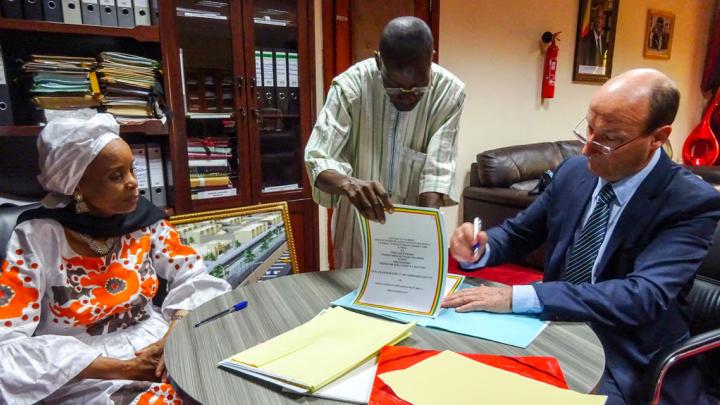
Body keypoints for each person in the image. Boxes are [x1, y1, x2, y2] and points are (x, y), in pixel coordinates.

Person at [442, 69, 720, 404]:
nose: (587, 149)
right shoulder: (574, 172)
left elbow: (641, 296)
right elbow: (518, 233)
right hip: (552, 325)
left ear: (658, 137)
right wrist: (481, 247)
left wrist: (523, 296)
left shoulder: (690, 201)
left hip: (625, 351)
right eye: (588, 128)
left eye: (610, 138)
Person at [0, 114, 231, 404]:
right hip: (86, 371)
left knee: (226, 383)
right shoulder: (37, 236)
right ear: (77, 185)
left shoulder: (143, 220)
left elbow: (193, 276)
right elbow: (6, 342)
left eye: (132, 169)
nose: (134, 183)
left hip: (157, 345)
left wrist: (174, 335)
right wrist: (126, 369)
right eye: (116, 176)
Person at [304, 16, 465, 269]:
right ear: (379, 61)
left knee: (413, 302)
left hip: (416, 224)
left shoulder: (450, 93)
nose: (407, 97)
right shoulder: (350, 86)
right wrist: (349, 184)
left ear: (430, 59)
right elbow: (317, 157)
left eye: (419, 88)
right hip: (358, 226)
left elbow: (438, 171)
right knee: (354, 299)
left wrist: (423, 230)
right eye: (394, 87)